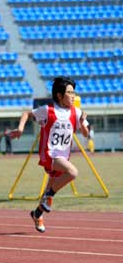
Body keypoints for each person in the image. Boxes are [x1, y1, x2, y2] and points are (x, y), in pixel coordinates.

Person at [8, 76, 88, 233]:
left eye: (74, 93)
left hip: (63, 157)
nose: (73, 96)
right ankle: (49, 197)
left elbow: (85, 133)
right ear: (59, 95)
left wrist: (84, 121)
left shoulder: (76, 112)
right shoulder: (48, 111)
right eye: (70, 93)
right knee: (73, 172)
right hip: (49, 154)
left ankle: (37, 213)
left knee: (49, 187)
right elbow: (26, 114)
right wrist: (20, 129)